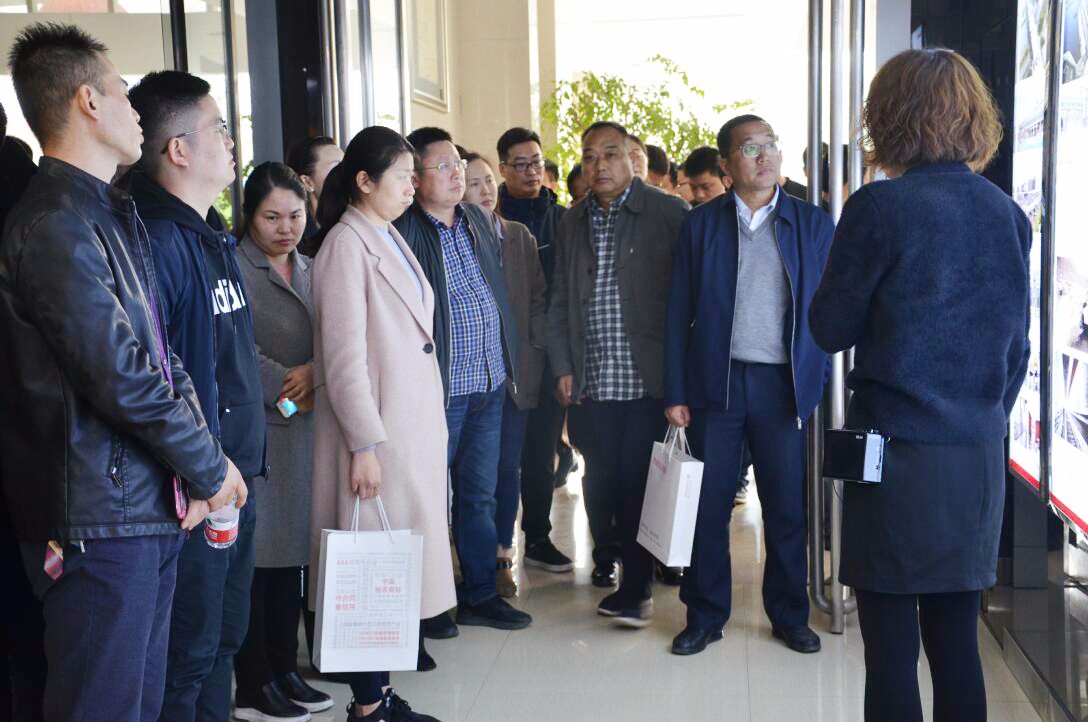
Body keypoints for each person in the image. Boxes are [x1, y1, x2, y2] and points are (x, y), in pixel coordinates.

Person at [0, 24, 246, 722]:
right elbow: (121, 378)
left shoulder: (107, 208)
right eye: (121, 93)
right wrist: (208, 468)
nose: (136, 112)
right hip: (98, 518)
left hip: (139, 506)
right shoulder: (55, 222)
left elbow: (163, 358)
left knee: (138, 702)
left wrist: (206, 465)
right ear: (88, 102)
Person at [809, 49, 1030, 722]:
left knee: (891, 651)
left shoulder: (879, 207)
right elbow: (1017, 350)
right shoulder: (1007, 213)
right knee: (958, 644)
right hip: (974, 456)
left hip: (894, 456)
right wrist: (978, 416)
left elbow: (829, 328)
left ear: (889, 116)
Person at [663, 114, 834, 657]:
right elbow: (677, 311)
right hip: (718, 381)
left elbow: (829, 309)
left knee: (786, 509)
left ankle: (789, 615)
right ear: (726, 164)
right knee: (708, 507)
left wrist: (817, 378)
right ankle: (704, 615)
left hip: (783, 384)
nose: (765, 156)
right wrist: (676, 391)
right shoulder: (702, 224)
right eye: (750, 148)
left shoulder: (811, 223)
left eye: (770, 145)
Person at [126, 70, 266, 722]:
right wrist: (206, 471)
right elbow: (157, 379)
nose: (232, 141)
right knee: (186, 658)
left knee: (222, 643)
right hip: (194, 490)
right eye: (219, 128)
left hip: (234, 480)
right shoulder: (157, 241)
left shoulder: (209, 232)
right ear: (178, 149)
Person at [310, 125, 454, 722]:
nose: (412, 186)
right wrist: (364, 443)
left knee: (390, 569)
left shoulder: (385, 233)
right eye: (401, 177)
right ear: (365, 181)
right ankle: (369, 707)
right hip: (375, 436)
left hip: (407, 426)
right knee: (369, 571)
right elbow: (342, 358)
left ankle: (380, 697)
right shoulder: (346, 244)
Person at [548, 120, 688, 626]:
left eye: (610, 154)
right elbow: (559, 299)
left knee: (638, 482)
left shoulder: (667, 212)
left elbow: (690, 299)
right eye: (589, 156)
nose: (599, 165)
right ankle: (625, 572)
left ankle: (637, 588)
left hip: (648, 379)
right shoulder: (573, 221)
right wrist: (563, 365)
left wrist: (683, 378)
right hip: (593, 379)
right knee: (603, 481)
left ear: (632, 158)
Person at [394, 127, 532, 634]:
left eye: (458, 164)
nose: (458, 175)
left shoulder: (476, 220)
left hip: (489, 382)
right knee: (429, 499)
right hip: (440, 389)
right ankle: (428, 606)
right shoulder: (405, 231)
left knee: (479, 495)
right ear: (415, 178)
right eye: (444, 167)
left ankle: (479, 594)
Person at [233, 162, 334, 721]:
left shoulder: (315, 267)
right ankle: (255, 679)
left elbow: (339, 337)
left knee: (294, 559)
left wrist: (317, 374)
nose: (285, 228)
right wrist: (293, 394)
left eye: (295, 215)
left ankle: (286, 666)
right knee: (260, 562)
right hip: (263, 431)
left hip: (308, 430)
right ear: (250, 215)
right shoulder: (234, 267)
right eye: (271, 217)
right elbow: (234, 352)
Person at [462, 152, 548, 597]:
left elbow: (536, 299)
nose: (484, 190)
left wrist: (532, 355)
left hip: (513, 374)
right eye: (472, 183)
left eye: (487, 181)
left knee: (506, 466)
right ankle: (470, 559)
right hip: (469, 376)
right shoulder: (453, 238)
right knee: (472, 474)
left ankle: (501, 554)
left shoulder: (517, 235)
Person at [493, 126, 574, 574]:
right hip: (502, 353)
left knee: (541, 451)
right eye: (520, 164)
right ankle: (497, 545)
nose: (530, 172)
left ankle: (538, 537)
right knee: (502, 456)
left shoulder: (562, 219)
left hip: (548, 352)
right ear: (503, 168)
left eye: (536, 163)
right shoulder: (489, 219)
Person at [286, 136, 343, 257]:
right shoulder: (293, 237)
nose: (345, 174)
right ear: (307, 182)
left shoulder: (350, 222)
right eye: (336, 168)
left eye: (346, 166)